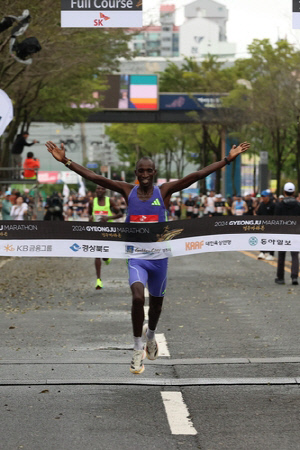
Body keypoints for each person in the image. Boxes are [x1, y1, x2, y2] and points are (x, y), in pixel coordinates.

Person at [45, 139, 250, 374]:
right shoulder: (127, 190)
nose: (144, 174)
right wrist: (66, 161)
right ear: (135, 173)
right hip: (136, 256)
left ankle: (151, 335)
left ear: (154, 173)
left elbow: (197, 175)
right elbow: (95, 178)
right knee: (137, 299)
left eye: (148, 170)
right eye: (140, 171)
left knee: (156, 306)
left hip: (160, 259)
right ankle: (136, 348)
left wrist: (227, 159)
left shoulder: (164, 191)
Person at [89, 185, 123, 290]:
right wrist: (90, 219)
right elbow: (90, 215)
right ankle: (98, 280)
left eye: (102, 188)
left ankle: (107, 257)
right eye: (98, 188)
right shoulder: (92, 202)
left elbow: (120, 214)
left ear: (105, 191)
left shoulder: (110, 201)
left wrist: (108, 218)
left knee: (103, 255)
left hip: (108, 231)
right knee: (97, 254)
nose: (99, 190)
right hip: (96, 231)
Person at [274, 182, 300, 286]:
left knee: (281, 254)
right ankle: (294, 277)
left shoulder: (279, 205)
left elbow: (275, 220)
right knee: (295, 255)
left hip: (283, 232)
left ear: (284, 192)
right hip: (295, 232)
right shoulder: (298, 205)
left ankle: (280, 277)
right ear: (294, 192)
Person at [256, 190, 276, 261]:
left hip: (271, 225)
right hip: (263, 225)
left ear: (268, 197)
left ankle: (271, 254)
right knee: (262, 238)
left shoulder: (273, 205)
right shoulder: (261, 205)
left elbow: (275, 216)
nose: (263, 198)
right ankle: (262, 252)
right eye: (262, 196)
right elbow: (258, 213)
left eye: (264, 196)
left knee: (270, 239)